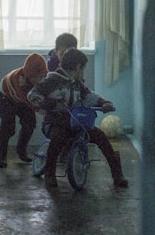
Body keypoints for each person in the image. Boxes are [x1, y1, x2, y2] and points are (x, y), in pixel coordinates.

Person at [27, 48, 128, 188]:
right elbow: (32, 95)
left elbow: (89, 96)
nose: (83, 72)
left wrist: (104, 103)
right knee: (58, 138)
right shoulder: (52, 80)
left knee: (100, 136)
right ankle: (50, 173)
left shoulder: (76, 83)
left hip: (75, 123)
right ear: (77, 67)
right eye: (83, 69)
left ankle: (117, 174)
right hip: (54, 123)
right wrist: (54, 105)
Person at [0, 53, 48, 168]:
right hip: (7, 98)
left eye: (41, 76)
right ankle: (0, 156)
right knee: (7, 128)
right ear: (28, 74)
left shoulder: (45, 76)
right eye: (34, 77)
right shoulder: (18, 79)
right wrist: (42, 110)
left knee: (30, 124)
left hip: (23, 100)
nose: (38, 80)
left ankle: (21, 151)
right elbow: (28, 100)